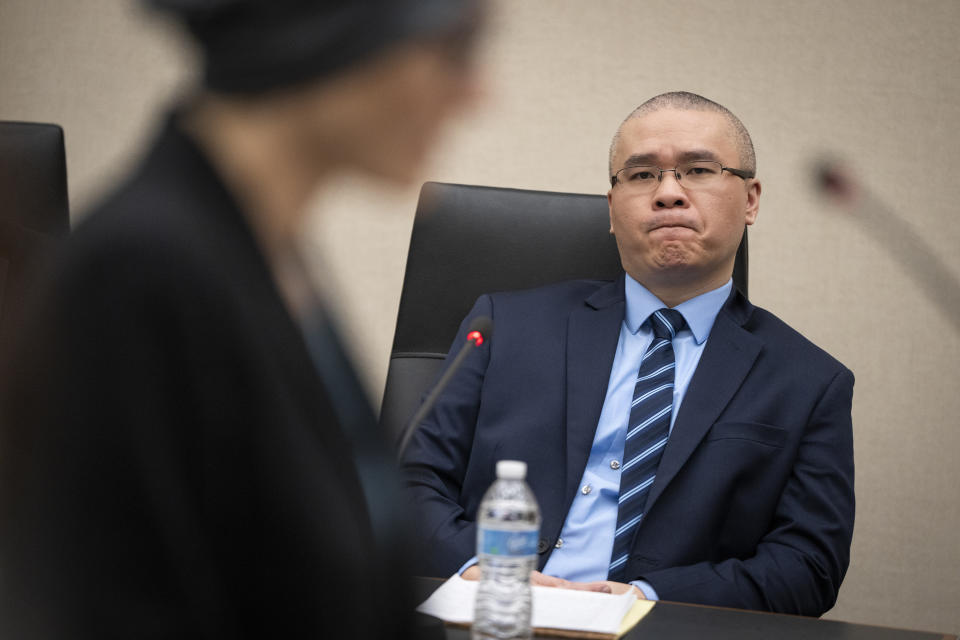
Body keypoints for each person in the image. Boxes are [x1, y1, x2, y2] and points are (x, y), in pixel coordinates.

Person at [0, 1, 483, 638]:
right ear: (331, 35)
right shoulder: (141, 271)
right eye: (454, 51)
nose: (476, 95)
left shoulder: (264, 247)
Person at [401, 91, 855, 617]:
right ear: (612, 208)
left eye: (699, 169)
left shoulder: (808, 382)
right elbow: (410, 482)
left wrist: (647, 599)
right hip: (494, 613)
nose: (668, 193)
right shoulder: (502, 326)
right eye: (641, 176)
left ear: (751, 200)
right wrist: (483, 572)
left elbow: (808, 566)